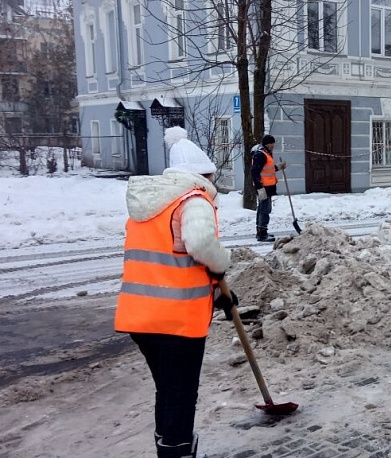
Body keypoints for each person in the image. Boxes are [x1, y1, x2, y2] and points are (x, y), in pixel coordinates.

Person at [115, 126, 238, 458]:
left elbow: (174, 258)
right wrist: (221, 264)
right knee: (181, 393)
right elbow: (200, 245)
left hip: (141, 318)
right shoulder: (193, 199)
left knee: (167, 389)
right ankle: (177, 451)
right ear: (202, 175)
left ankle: (168, 445)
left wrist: (217, 292)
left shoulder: (150, 206)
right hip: (176, 321)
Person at [251, 134, 287, 242]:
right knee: (264, 210)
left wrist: (278, 167)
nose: (273, 145)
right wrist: (259, 187)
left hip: (268, 187)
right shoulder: (261, 155)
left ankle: (261, 232)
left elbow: (267, 170)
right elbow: (254, 171)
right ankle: (262, 234)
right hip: (263, 187)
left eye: (273, 143)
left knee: (263, 209)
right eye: (271, 143)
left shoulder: (267, 153)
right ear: (267, 144)